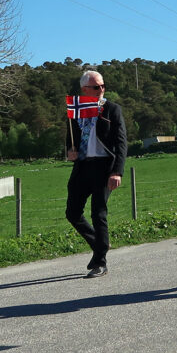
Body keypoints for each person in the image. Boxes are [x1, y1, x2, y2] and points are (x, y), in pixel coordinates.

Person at [65, 70, 128, 279]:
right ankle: (100, 243)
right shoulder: (77, 109)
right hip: (82, 165)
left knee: (98, 213)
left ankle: (100, 262)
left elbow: (121, 143)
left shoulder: (112, 109)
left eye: (103, 86)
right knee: (72, 213)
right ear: (84, 89)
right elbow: (70, 138)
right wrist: (69, 151)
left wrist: (117, 172)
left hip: (104, 167)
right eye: (96, 87)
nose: (101, 89)